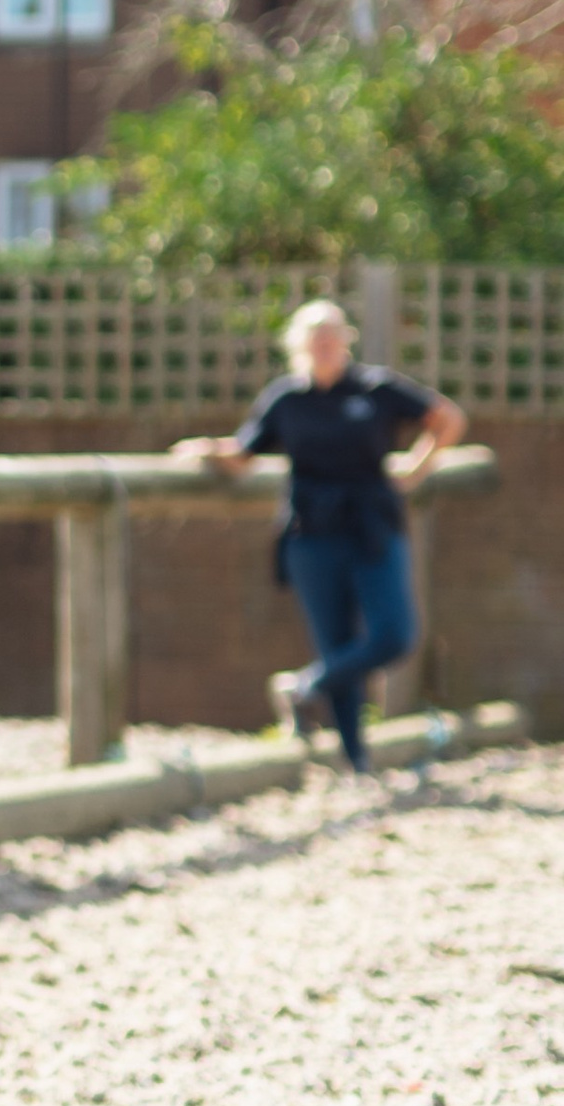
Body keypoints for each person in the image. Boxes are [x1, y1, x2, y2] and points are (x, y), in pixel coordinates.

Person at [176, 297, 463, 775]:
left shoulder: (376, 389)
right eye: (315, 339)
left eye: (332, 337)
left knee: (394, 635)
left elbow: (448, 418)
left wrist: (415, 469)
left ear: (345, 341)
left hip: (372, 524)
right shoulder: (286, 399)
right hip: (312, 531)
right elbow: (243, 453)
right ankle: (355, 761)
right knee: (335, 639)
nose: (325, 346)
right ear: (299, 347)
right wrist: (205, 451)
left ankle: (303, 687)